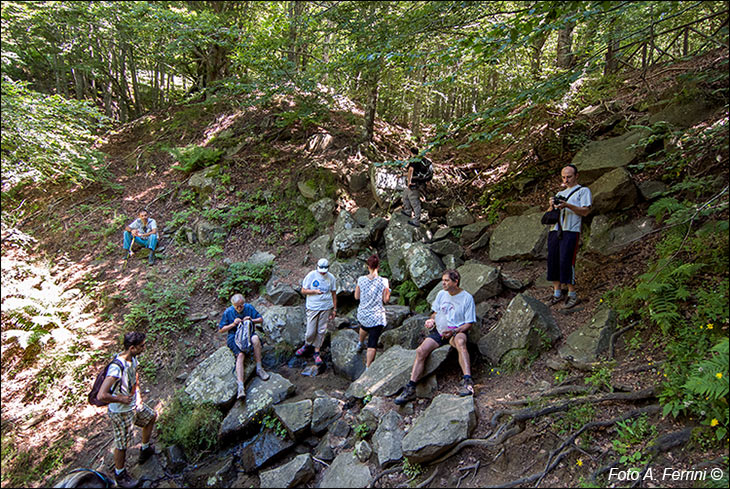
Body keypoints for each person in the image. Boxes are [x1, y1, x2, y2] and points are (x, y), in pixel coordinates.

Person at [394, 270, 476, 405]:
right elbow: (435, 313)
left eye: (447, 280)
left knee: (461, 342)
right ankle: (411, 388)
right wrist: (431, 320)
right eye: (442, 280)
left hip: (456, 330)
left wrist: (454, 331)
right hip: (439, 330)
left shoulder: (467, 298)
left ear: (455, 282)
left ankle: (467, 381)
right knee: (421, 351)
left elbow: (469, 323)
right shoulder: (441, 294)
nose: (443, 283)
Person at [98, 332, 157, 489]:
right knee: (122, 444)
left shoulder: (133, 358)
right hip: (120, 411)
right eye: (142, 346)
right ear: (132, 348)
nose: (144, 348)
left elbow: (135, 374)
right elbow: (102, 394)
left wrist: (137, 394)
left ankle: (145, 450)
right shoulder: (116, 368)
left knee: (150, 417)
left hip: (133, 405)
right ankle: (120, 474)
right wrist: (120, 399)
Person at [546, 164, 592, 309]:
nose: (566, 180)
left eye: (569, 177)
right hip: (555, 229)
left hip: (570, 230)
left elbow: (585, 211)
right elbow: (548, 216)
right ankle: (557, 292)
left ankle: (572, 294)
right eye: (564, 177)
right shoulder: (560, 193)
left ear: (576, 176)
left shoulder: (583, 191)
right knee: (553, 260)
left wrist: (567, 206)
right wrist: (551, 205)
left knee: (567, 260)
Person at [219, 294, 270, 400]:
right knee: (241, 355)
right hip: (234, 336)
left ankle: (259, 368)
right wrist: (233, 324)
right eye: (237, 306)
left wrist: (251, 320)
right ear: (233, 305)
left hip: (248, 333)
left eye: (241, 305)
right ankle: (241, 387)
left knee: (255, 340)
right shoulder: (228, 312)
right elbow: (221, 329)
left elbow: (260, 319)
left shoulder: (249, 307)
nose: (239, 308)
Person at [296, 258, 337, 366]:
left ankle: (316, 352)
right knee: (310, 331)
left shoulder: (331, 278)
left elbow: (333, 293)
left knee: (321, 330)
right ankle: (307, 344)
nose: (323, 272)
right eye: (321, 270)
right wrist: (314, 291)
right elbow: (303, 290)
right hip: (313, 307)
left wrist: (334, 309)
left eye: (324, 270)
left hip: (326, 307)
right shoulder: (311, 275)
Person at [354, 254, 391, 368]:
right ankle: (368, 367)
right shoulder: (384, 281)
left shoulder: (361, 280)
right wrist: (388, 291)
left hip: (364, 313)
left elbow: (356, 297)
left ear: (367, 266)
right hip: (376, 316)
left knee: (364, 327)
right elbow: (386, 300)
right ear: (378, 266)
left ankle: (360, 343)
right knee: (372, 342)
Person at [401, 147, 432, 227]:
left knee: (415, 202)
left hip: (414, 184)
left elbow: (411, 171)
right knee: (405, 196)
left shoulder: (414, 160)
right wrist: (402, 175)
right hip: (415, 182)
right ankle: (408, 211)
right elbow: (414, 172)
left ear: (411, 152)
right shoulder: (419, 160)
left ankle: (416, 221)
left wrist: (409, 182)